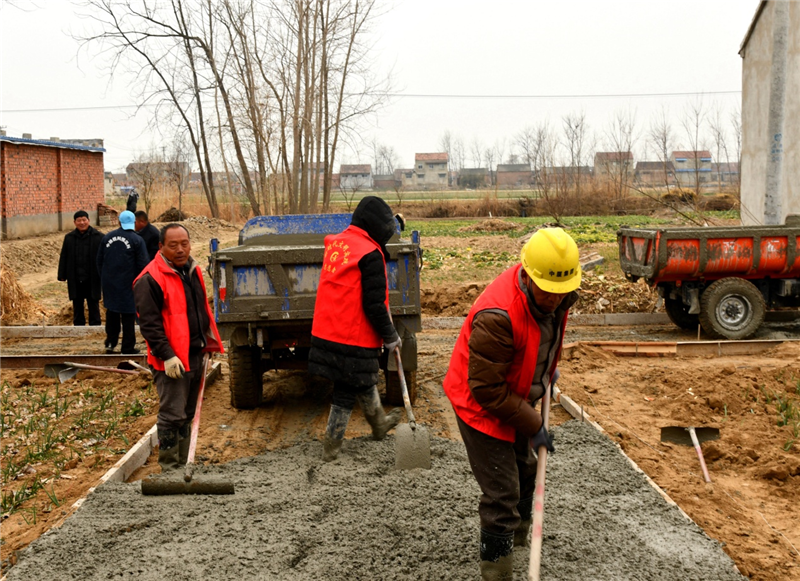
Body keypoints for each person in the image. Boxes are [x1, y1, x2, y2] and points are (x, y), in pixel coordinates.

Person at [442, 227, 581, 581]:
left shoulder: (561, 296)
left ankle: (518, 540)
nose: (554, 298)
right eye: (548, 291)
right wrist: (534, 424)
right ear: (529, 275)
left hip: (516, 395)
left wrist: (547, 373)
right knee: (502, 493)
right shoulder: (498, 315)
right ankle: (497, 572)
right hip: (480, 404)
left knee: (527, 471)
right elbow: (487, 391)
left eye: (561, 291)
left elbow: (543, 337)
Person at [308, 196, 403, 462]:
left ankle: (379, 423)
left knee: (361, 377)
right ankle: (331, 447)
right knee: (346, 389)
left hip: (327, 329)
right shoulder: (370, 254)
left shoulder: (338, 243)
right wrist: (391, 336)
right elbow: (374, 304)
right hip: (352, 334)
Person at [133, 224, 224, 471]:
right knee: (172, 413)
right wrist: (168, 356)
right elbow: (149, 325)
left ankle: (184, 462)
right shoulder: (150, 279)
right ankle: (170, 467)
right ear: (160, 247)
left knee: (187, 411)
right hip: (172, 359)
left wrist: (207, 342)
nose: (180, 249)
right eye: (173, 245)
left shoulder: (191, 270)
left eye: (184, 243)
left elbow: (198, 310)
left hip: (194, 353)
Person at [97, 210, 149, 354]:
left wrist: (105, 277)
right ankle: (127, 347)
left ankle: (110, 343)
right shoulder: (137, 240)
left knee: (112, 312)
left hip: (110, 282)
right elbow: (143, 264)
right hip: (129, 283)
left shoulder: (107, 237)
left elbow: (99, 260)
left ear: (119, 222)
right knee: (128, 315)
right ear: (133, 222)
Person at [57, 210, 104, 326]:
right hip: (76, 276)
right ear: (74, 222)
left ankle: (95, 325)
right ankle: (78, 325)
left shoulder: (99, 237)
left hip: (92, 276)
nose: (82, 223)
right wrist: (62, 274)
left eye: (84, 220)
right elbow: (64, 256)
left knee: (93, 302)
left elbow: (104, 257)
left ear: (89, 221)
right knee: (77, 302)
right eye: (79, 220)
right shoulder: (69, 238)